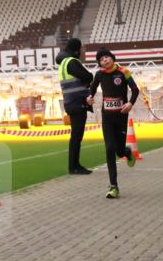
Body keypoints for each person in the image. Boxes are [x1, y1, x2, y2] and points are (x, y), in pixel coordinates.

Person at [86, 49, 139, 199]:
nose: (105, 60)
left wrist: (130, 103)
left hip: (121, 115)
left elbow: (135, 90)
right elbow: (92, 88)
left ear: (112, 58)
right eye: (101, 59)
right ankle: (113, 186)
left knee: (119, 151)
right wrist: (89, 96)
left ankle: (127, 152)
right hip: (107, 117)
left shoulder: (124, 72)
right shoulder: (99, 74)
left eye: (107, 57)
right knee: (109, 149)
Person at [56, 38, 94, 175]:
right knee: (77, 137)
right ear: (77, 49)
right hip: (77, 102)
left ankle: (74, 165)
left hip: (70, 102)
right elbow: (87, 76)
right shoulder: (71, 62)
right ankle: (74, 166)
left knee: (76, 136)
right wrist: (89, 78)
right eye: (80, 48)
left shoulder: (63, 63)